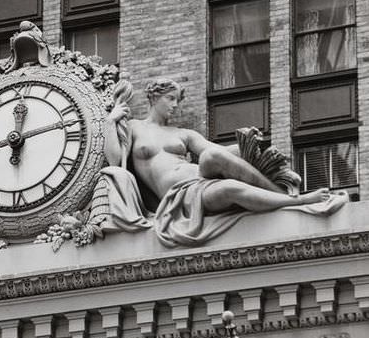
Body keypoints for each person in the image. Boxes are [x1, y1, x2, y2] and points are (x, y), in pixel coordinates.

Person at [103, 78, 346, 247]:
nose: (175, 106)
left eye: (177, 100)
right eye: (171, 98)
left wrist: (245, 143)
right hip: (180, 198)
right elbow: (115, 160)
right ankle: (298, 201)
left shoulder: (183, 134)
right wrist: (111, 122)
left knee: (209, 156)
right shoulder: (134, 127)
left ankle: (283, 197)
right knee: (231, 189)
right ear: (155, 97)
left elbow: (216, 151)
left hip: (199, 180)